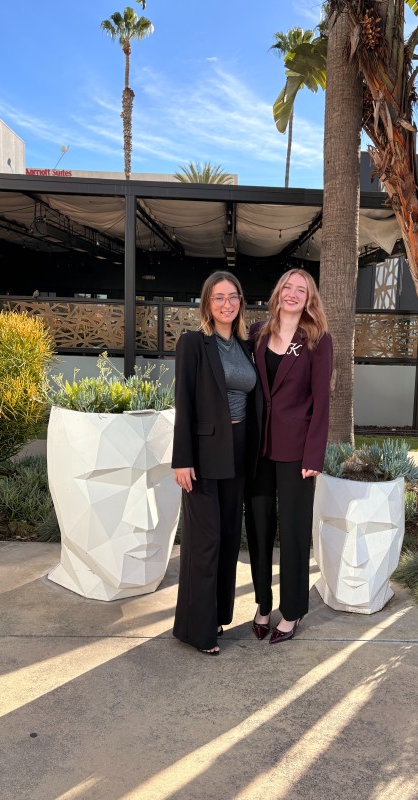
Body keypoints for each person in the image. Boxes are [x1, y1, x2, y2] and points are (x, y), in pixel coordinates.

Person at [172, 271, 261, 655]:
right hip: (204, 455)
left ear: (241, 301)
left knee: (227, 538)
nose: (227, 303)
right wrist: (182, 460)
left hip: (239, 452)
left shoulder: (245, 346)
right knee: (204, 541)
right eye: (219, 297)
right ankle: (197, 629)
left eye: (233, 296)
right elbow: (184, 403)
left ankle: (218, 616)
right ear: (207, 303)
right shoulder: (193, 343)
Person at [245, 268, 332, 644]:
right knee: (258, 528)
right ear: (278, 292)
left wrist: (314, 454)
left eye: (301, 290)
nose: (293, 294)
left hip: (297, 451)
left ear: (309, 299)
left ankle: (292, 611)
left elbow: (322, 401)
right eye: (288, 287)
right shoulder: (256, 333)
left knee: (294, 531)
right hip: (258, 449)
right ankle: (263, 605)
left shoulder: (317, 340)